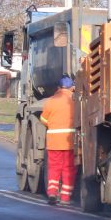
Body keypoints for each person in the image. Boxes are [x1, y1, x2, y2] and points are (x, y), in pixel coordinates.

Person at [40, 75, 77, 206]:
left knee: (54, 168)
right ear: (72, 87)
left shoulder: (51, 101)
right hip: (69, 142)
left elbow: (43, 120)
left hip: (53, 142)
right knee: (68, 169)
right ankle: (65, 197)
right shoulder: (74, 101)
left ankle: (52, 193)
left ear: (58, 88)